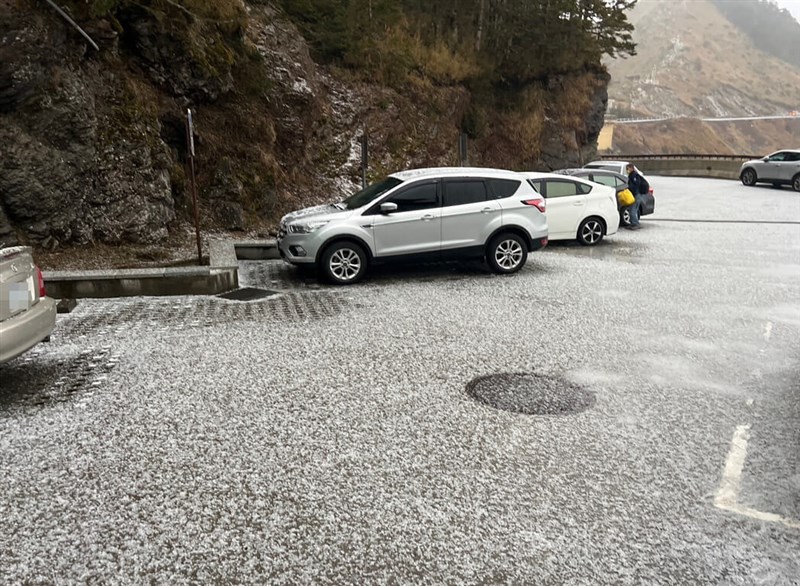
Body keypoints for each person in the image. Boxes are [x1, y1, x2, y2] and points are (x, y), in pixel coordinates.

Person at [625, 163, 647, 230]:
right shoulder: (632, 175)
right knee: (634, 210)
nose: (627, 170)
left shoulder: (634, 175)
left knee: (632, 210)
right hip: (637, 195)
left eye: (627, 169)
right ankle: (633, 223)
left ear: (631, 168)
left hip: (636, 195)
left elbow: (636, 185)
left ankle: (635, 224)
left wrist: (629, 189)